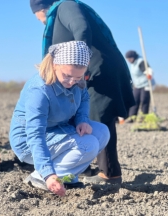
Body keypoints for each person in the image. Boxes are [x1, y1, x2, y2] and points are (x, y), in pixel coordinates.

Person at [29, 0, 135, 184]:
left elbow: (82, 28)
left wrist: (81, 66)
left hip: (98, 70)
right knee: (85, 115)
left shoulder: (66, 6)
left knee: (101, 116)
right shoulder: (60, 12)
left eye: (40, 19)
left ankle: (109, 174)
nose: (42, 23)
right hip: (94, 69)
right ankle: (84, 166)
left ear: (41, 8)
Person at [9, 41, 110, 196]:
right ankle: (42, 176)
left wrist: (82, 119)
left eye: (77, 78)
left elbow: (84, 97)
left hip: (58, 128)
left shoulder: (77, 79)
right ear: (55, 64)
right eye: (67, 76)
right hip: (28, 142)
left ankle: (67, 177)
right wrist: (48, 173)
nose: (72, 82)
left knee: (102, 132)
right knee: (88, 145)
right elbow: (35, 134)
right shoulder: (40, 90)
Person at [124, 50, 155, 123]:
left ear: (133, 57)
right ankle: (132, 117)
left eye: (129, 58)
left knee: (144, 100)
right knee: (134, 101)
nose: (128, 60)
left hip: (146, 84)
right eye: (127, 59)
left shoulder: (141, 62)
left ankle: (144, 117)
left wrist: (149, 74)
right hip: (138, 85)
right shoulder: (132, 64)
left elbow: (148, 70)